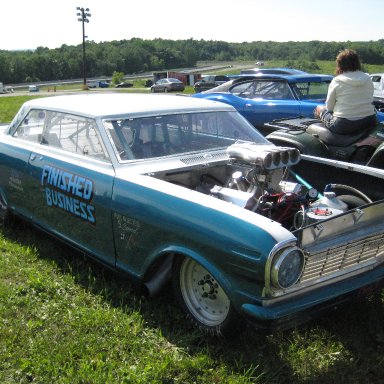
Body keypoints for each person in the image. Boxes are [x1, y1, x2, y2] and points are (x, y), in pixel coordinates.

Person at [314, 49, 377, 134]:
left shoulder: (337, 80)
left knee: (319, 108)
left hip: (344, 124)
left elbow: (329, 107)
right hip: (369, 120)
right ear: (357, 62)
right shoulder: (368, 78)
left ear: (340, 64)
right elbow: (370, 97)